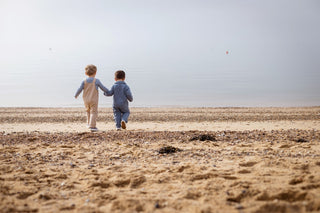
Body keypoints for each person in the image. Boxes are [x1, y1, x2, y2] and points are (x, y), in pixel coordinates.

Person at [75, 64, 109, 132]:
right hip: (93, 99)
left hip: (86, 99)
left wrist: (76, 95)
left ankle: (88, 123)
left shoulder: (84, 81)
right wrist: (108, 92)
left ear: (86, 73)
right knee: (93, 112)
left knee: (88, 111)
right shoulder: (96, 81)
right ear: (95, 72)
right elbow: (103, 88)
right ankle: (92, 126)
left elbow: (80, 89)